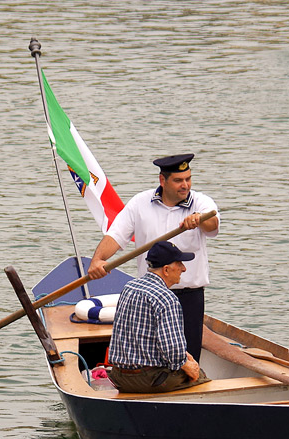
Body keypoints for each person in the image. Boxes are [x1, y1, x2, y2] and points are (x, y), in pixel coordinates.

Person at [86, 153, 220, 362]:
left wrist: (200, 220)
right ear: (162, 180)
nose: (185, 185)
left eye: (188, 179)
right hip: (150, 296)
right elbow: (116, 235)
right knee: (150, 355)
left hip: (188, 298)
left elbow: (212, 225)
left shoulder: (201, 203)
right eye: (178, 180)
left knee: (188, 358)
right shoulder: (140, 203)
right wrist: (98, 260)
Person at [107, 241, 210, 394]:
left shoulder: (129, 287)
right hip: (148, 380)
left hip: (119, 378)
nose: (184, 268)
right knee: (199, 376)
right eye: (179, 264)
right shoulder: (167, 299)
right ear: (166, 270)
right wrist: (188, 366)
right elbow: (173, 352)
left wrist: (183, 356)